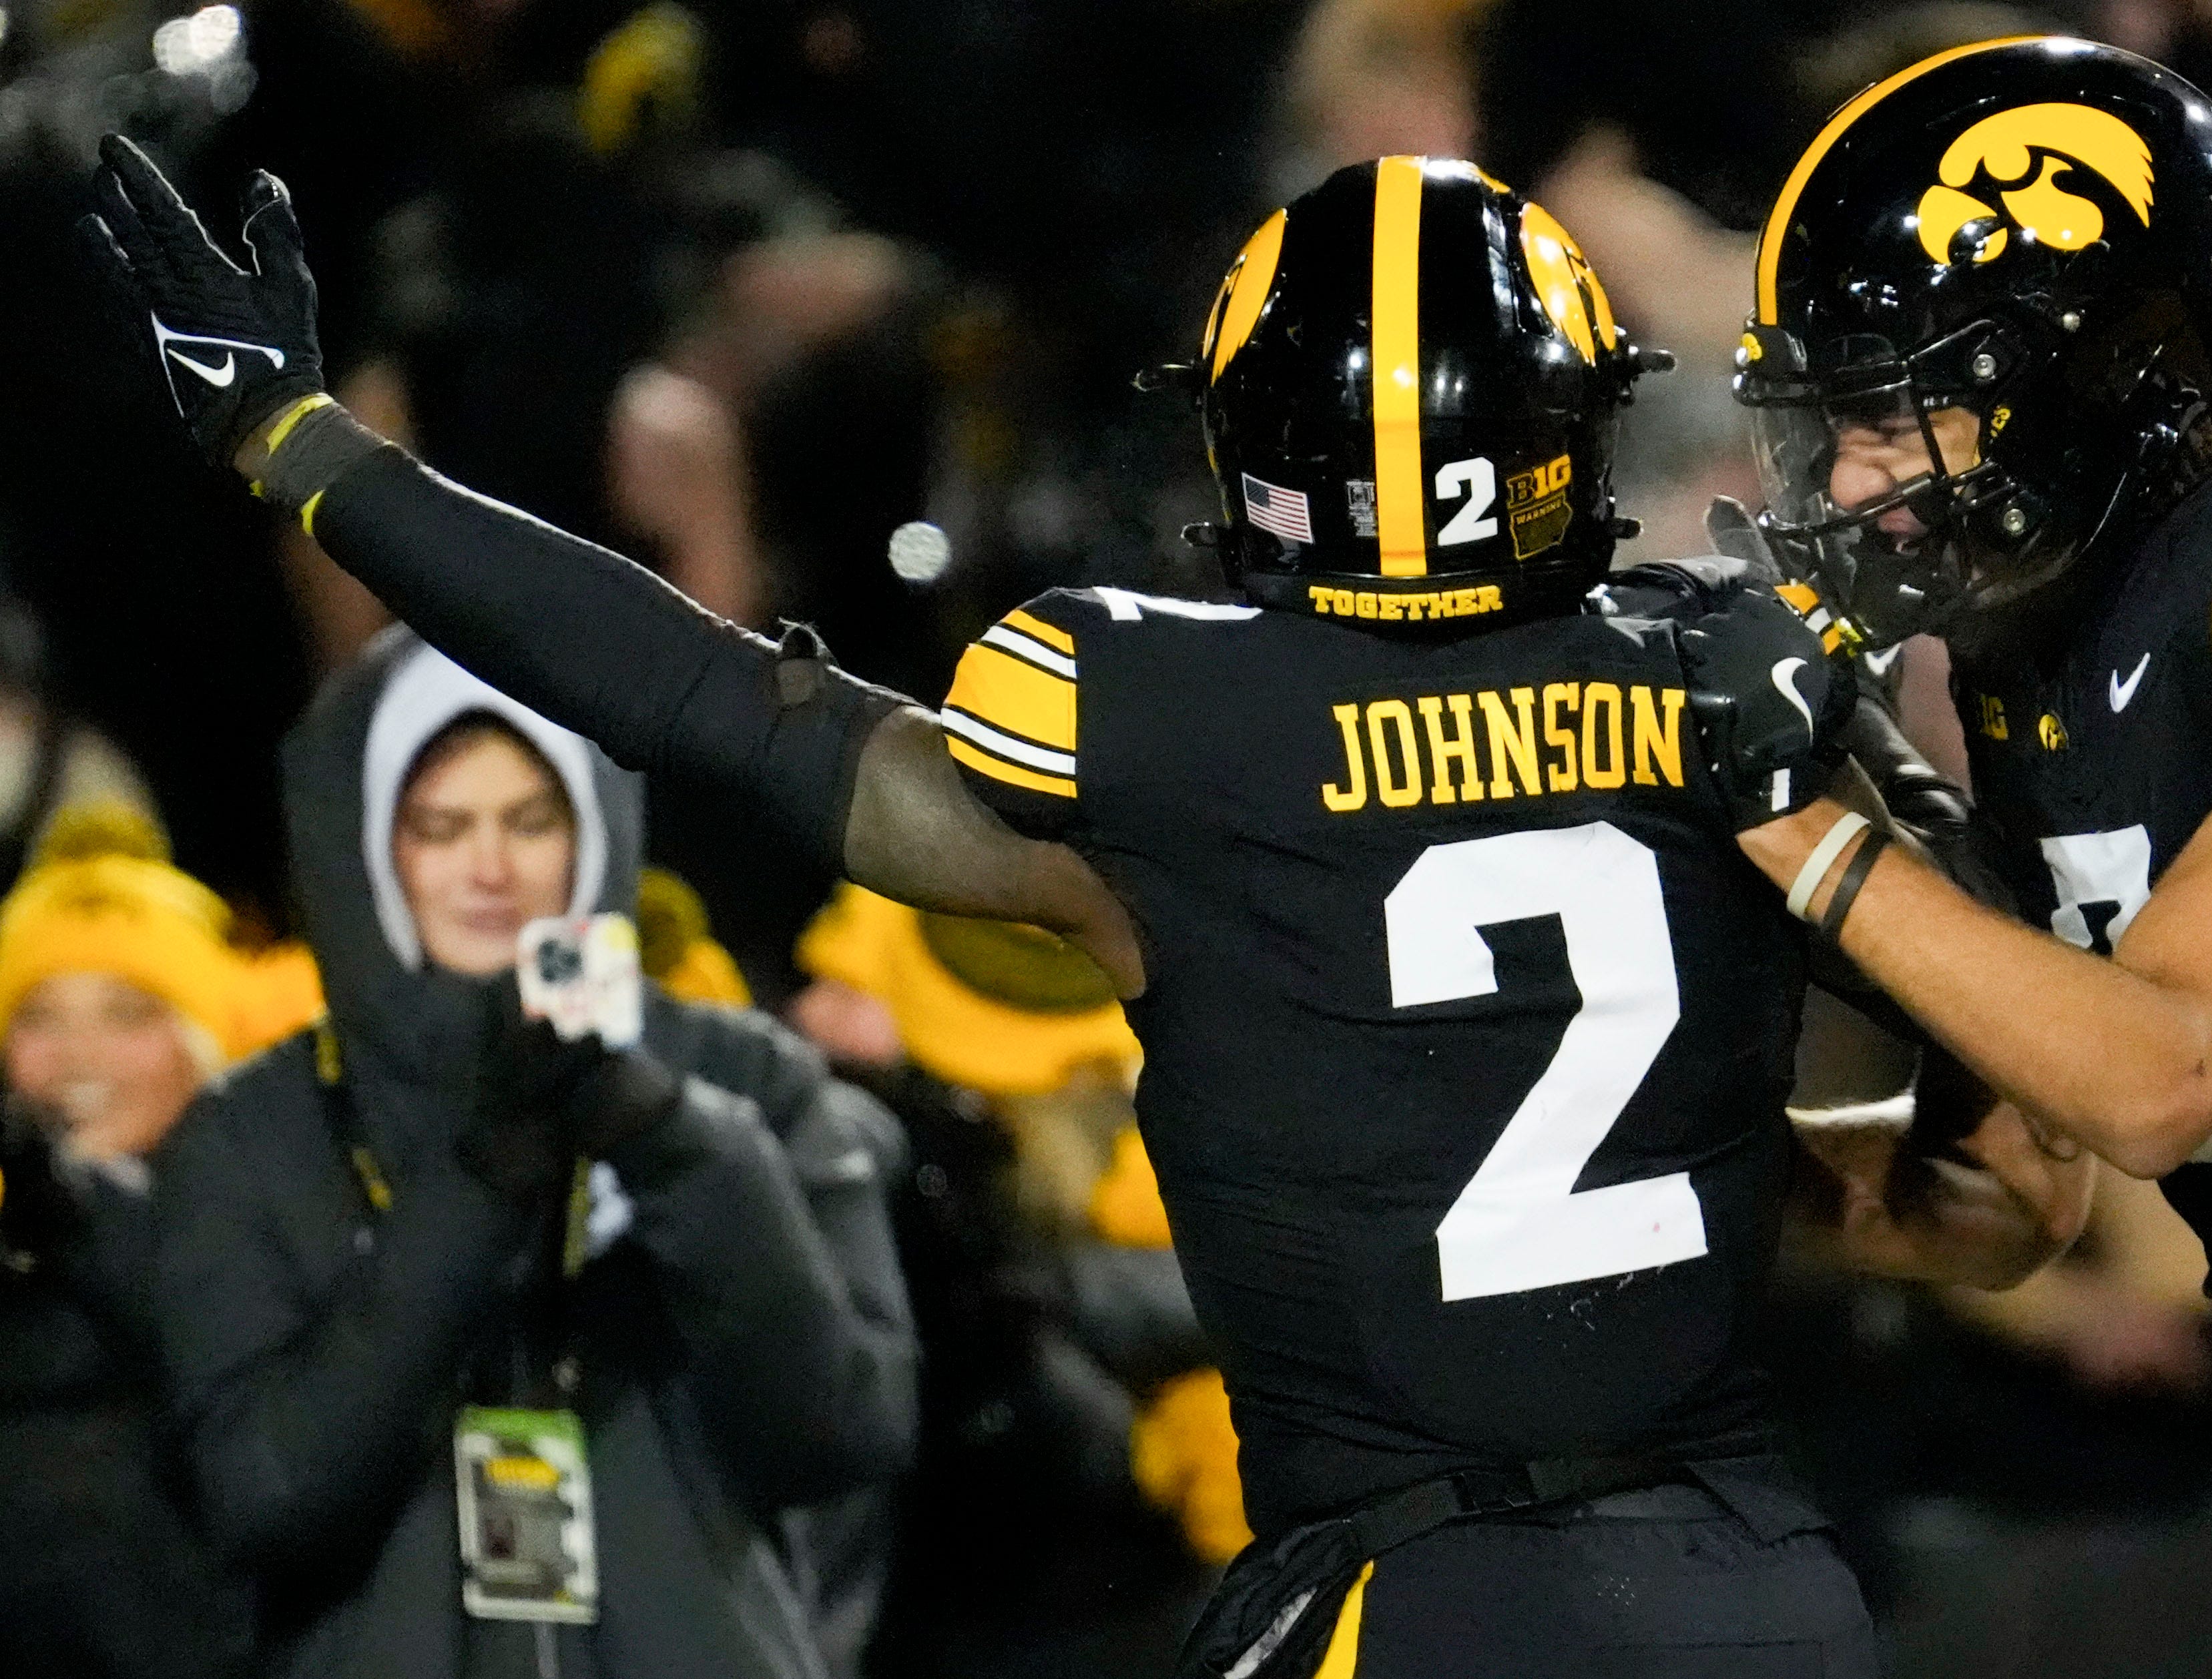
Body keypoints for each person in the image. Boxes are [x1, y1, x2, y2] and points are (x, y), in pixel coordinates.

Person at [84, 143, 2095, 1677]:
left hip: (1411, 1591)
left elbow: (706, 691)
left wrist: (306, 448)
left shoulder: (1161, 743)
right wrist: (1874, 778)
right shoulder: (1722, 687)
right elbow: (2012, 1177)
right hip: (1758, 1586)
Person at [1704, 32, 2212, 1676]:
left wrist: (1802, 832)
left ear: (2094, 371)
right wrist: (1689, 1182)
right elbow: (2015, 1197)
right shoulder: (2033, 649)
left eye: (1895, 414)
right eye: (1831, 423)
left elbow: (2166, 1074)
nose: (1853, 479)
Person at [138, 629, 914, 1679]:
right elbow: (263, 1498)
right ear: (367, 846)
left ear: (591, 835)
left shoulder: (744, 1082)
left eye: (529, 820)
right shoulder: (253, 1131)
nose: (490, 867)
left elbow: (836, 1437)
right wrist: (478, 1189)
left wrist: (672, 1144)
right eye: (441, 827)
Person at [792, 883, 1225, 1678]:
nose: (813, 1011)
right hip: (981, 1604)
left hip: (1081, 1605)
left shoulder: (1123, 1156)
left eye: (848, 991)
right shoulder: (905, 1161)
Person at [0, 802, 278, 1679]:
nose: (80, 1056)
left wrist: (80, 1211)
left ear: (205, 1042)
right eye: (40, 1017)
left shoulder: (272, 1220)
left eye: (129, 1014)